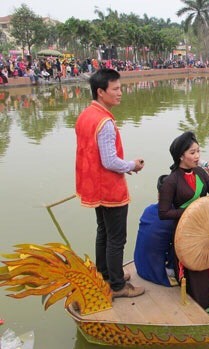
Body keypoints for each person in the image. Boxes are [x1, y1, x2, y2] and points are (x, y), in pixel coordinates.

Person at [75, 68, 145, 298]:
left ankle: (105, 274)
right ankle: (117, 286)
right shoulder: (104, 122)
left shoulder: (85, 115)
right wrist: (131, 165)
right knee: (116, 238)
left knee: (103, 231)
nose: (120, 93)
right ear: (100, 92)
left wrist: (124, 165)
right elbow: (109, 161)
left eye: (120, 88)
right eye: (115, 89)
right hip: (109, 187)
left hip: (93, 185)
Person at [158, 131, 209, 309]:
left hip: (204, 229)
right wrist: (190, 212)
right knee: (194, 271)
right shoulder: (171, 181)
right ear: (181, 156)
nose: (197, 156)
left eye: (198, 151)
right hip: (184, 233)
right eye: (192, 153)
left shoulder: (201, 173)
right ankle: (198, 304)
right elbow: (163, 213)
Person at [134, 175, 175, 287]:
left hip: (140, 266)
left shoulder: (148, 209)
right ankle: (170, 270)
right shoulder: (173, 216)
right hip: (157, 273)